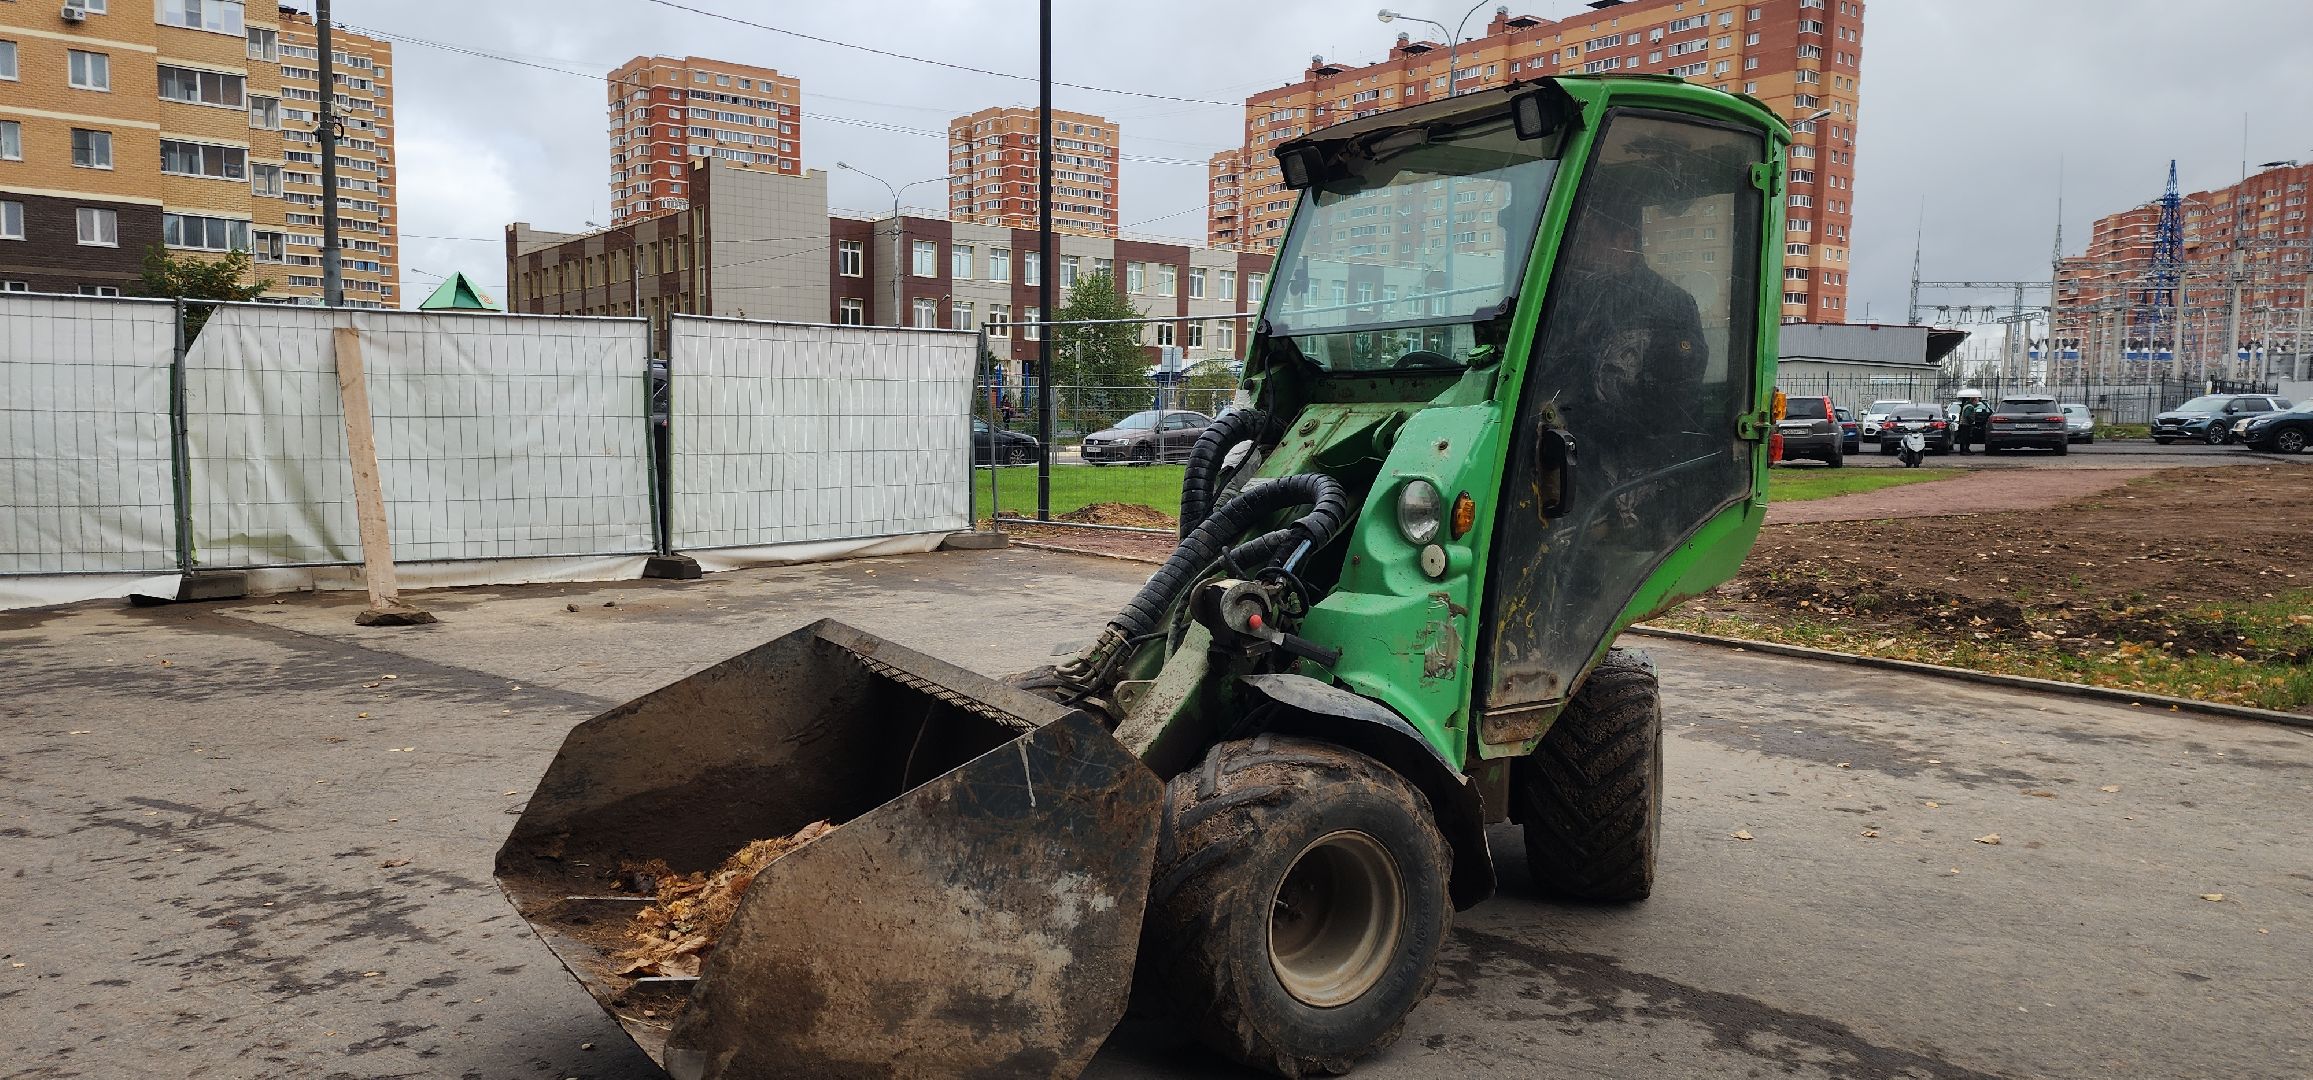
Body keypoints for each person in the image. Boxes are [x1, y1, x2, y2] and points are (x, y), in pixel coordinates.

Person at [1953, 389, 1989, 453]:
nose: (1977, 402)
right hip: (1966, 425)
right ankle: (1964, 450)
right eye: (1977, 401)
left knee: (1964, 438)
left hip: (1963, 424)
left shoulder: (1967, 405)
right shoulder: (1970, 407)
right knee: (1965, 438)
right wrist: (1971, 421)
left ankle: (1965, 450)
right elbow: (1967, 415)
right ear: (1973, 400)